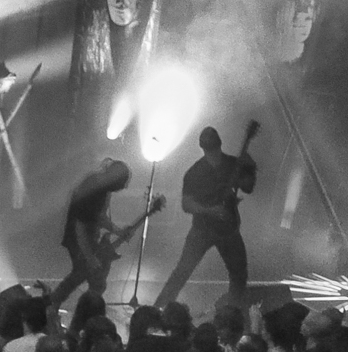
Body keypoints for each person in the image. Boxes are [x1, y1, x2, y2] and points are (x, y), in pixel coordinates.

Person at [154, 125, 257, 310]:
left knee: (236, 273)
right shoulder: (196, 172)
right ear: (220, 142)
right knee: (184, 271)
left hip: (227, 229)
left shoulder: (231, 164)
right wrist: (209, 211)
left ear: (201, 146)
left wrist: (250, 168)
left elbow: (247, 187)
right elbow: (187, 204)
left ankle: (233, 312)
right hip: (204, 229)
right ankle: (160, 308)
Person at [52, 160, 141, 323]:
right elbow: (80, 227)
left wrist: (118, 231)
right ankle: (75, 314)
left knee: (87, 278)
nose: (124, 187)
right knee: (87, 278)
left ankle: (58, 308)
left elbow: (99, 217)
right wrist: (89, 256)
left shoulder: (103, 188)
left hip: (87, 238)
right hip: (78, 240)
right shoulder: (93, 189)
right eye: (122, 183)